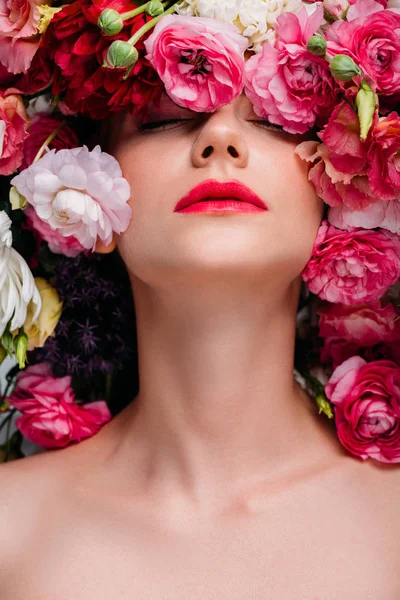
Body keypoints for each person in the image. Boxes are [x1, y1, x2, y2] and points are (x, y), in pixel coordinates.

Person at [2, 1, 400, 598]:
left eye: (275, 121)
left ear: (342, 189)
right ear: (85, 190)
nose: (220, 138)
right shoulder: (10, 530)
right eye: (164, 117)